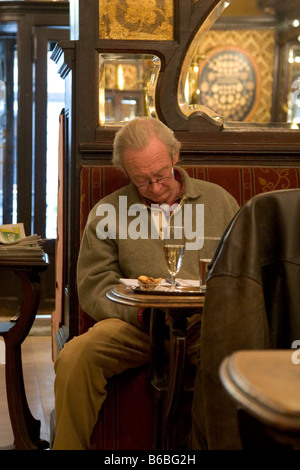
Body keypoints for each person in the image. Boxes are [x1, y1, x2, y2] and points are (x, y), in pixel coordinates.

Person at [53, 117, 239, 450]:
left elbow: (242, 273)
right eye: (141, 180)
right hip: (135, 327)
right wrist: (139, 314)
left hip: (204, 327)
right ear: (126, 172)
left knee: (242, 357)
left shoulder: (220, 202)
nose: (155, 188)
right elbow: (95, 285)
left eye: (161, 175)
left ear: (175, 156)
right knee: (75, 356)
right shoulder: (108, 211)